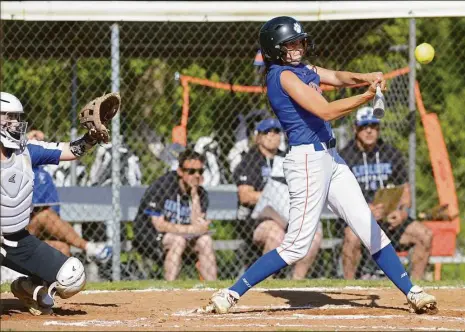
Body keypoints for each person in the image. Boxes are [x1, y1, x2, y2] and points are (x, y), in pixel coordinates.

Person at [201, 16, 437, 314]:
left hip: (331, 159)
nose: (298, 47)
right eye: (290, 44)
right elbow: (324, 111)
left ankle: (413, 292)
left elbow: (337, 77)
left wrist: (367, 76)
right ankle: (230, 294)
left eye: (300, 41)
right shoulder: (282, 77)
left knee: (367, 224)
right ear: (275, 50)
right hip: (308, 162)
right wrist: (365, 96)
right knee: (297, 245)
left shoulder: (303, 69)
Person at [0, 92, 113, 315]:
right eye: (9, 116)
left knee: (72, 277)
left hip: (18, 240)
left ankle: (27, 287)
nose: (16, 122)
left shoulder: (26, 151)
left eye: (17, 116)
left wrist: (91, 137)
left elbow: (70, 150)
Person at [338, 107, 433, 280]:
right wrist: (364, 211)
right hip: (360, 221)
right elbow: (339, 196)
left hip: (390, 220)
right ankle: (349, 287)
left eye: (373, 126)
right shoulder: (344, 157)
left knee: (424, 235)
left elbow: (405, 189)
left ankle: (414, 289)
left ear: (379, 129)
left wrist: (402, 212)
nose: (369, 130)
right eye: (364, 126)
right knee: (351, 238)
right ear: (355, 129)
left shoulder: (391, 153)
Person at [233, 118, 322, 279]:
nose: (272, 136)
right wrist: (273, 196)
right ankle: (266, 281)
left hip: (288, 215)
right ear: (258, 137)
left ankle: (296, 282)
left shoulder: (289, 158)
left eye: (276, 132)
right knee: (276, 234)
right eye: (267, 132)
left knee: (314, 234)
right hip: (256, 220)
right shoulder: (249, 160)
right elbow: (245, 196)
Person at [25, 130, 113, 263]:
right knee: (44, 216)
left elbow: (70, 151)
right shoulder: (14, 156)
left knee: (63, 249)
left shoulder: (39, 161)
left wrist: (90, 138)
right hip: (13, 230)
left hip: (34, 232)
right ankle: (89, 247)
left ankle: (53, 283)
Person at [132, 149, 217, 281]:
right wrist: (192, 229)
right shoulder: (162, 186)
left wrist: (194, 196)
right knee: (178, 240)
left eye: (200, 171)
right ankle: (170, 290)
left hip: (182, 237)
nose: (197, 175)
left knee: (205, 241)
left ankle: (213, 289)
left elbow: (197, 224)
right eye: (191, 171)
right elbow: (159, 225)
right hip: (150, 237)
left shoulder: (201, 194)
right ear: (180, 171)